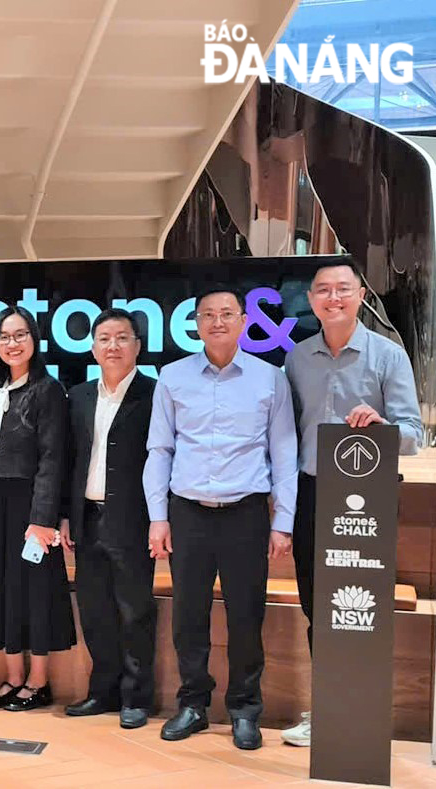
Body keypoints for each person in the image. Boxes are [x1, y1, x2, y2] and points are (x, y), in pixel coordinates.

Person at [144, 286, 297, 751]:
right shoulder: (172, 377)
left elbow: (284, 452)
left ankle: (245, 710)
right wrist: (158, 516)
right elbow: (160, 449)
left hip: (246, 514)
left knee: (246, 617)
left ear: (244, 319)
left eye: (226, 313)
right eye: (207, 315)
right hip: (187, 513)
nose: (217, 322)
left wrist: (283, 521)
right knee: (188, 616)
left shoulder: (271, 378)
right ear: (195, 322)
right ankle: (192, 704)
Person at [280, 262, 423, 746]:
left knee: (359, 609)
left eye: (343, 289)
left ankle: (359, 716)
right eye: (323, 290)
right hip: (310, 495)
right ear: (313, 299)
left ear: (360, 295)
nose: (333, 297)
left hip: (365, 503)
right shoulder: (296, 359)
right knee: (318, 606)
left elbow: (414, 435)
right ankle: (327, 709)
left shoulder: (388, 356)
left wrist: (383, 427)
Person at [0, 306, 75, 712]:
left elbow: (52, 459)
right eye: (4, 337)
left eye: (20, 335)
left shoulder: (48, 390)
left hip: (30, 506)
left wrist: (42, 519)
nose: (12, 344)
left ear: (35, 339)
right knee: (1, 587)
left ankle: (39, 681)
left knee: (34, 592)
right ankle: (13, 677)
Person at [61, 308, 157, 729]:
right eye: (104, 338)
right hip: (87, 518)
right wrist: (65, 515)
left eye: (122, 337)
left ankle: (137, 697)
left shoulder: (155, 394)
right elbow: (69, 460)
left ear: (137, 345)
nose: (113, 346)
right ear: (93, 346)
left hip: (134, 519)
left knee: (135, 611)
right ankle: (102, 691)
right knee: (95, 610)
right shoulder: (79, 396)